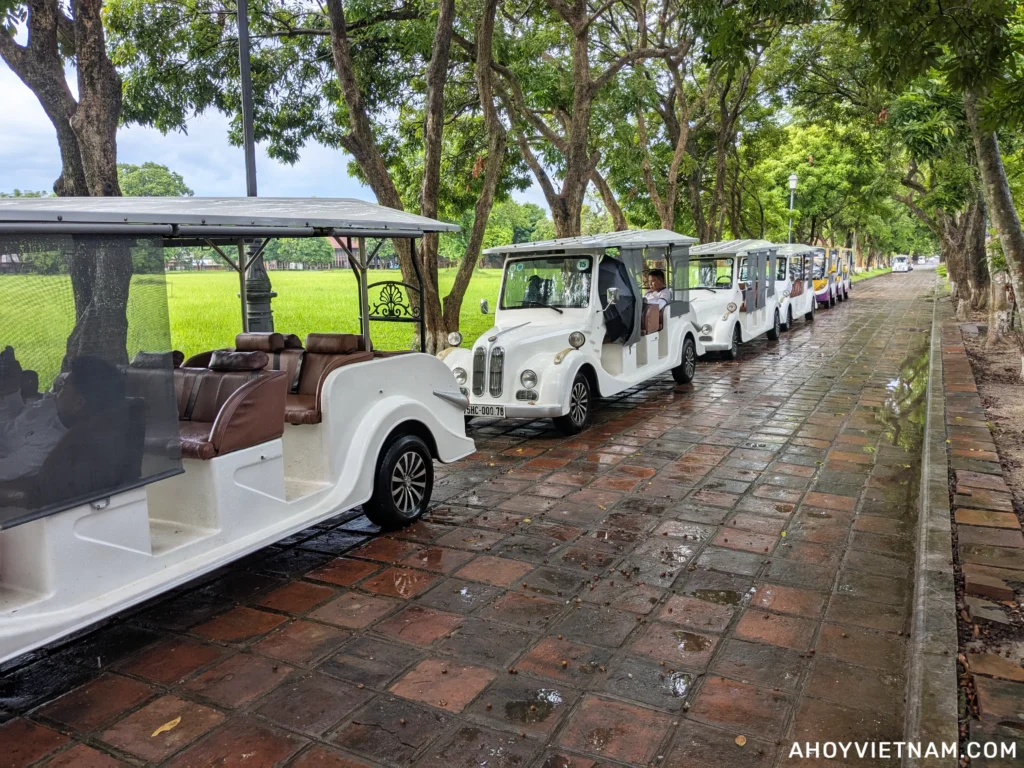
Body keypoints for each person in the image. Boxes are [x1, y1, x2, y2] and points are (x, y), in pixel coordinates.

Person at [0, 354, 125, 483]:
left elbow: (4, 470)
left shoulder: (49, 445)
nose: (58, 389)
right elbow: (14, 420)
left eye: (64, 387)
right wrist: (13, 387)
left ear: (79, 403)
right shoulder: (52, 407)